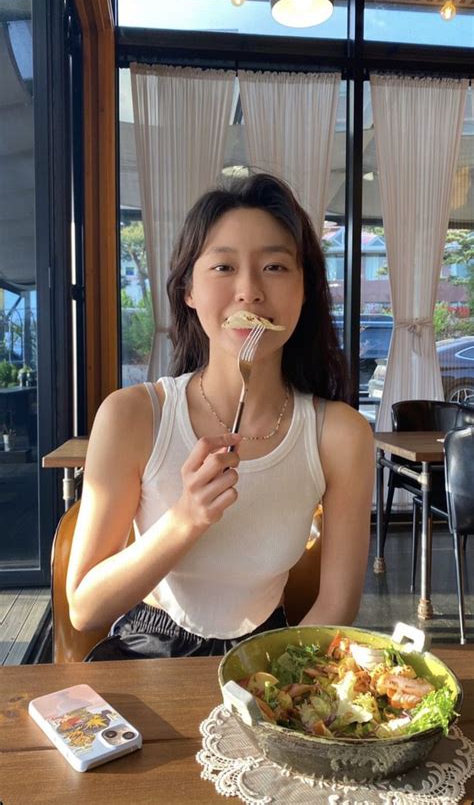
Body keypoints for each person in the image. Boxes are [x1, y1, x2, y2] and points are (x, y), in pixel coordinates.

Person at [66, 173, 374, 661]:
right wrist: (186, 518)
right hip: (146, 650)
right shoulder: (133, 416)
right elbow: (85, 608)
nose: (249, 291)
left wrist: (272, 683)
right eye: (224, 266)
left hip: (275, 655)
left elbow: (338, 602)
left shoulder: (341, 435)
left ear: (305, 290)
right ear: (188, 290)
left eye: (275, 266)